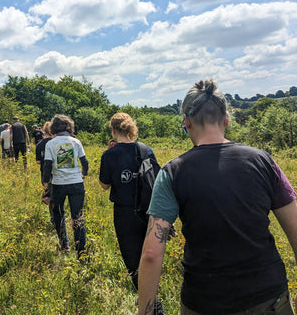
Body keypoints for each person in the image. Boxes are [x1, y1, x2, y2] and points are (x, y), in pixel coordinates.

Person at [138, 79, 297, 315]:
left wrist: (145, 312)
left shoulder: (172, 173)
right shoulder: (263, 161)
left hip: (204, 301)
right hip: (268, 298)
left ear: (187, 122)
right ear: (226, 119)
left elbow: (151, 255)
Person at [99, 113, 165, 314]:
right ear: (131, 129)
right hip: (149, 212)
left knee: (133, 262)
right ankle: (152, 302)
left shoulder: (109, 155)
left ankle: (154, 307)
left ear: (112, 130)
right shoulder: (146, 149)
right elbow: (157, 179)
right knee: (150, 256)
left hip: (125, 214)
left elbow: (104, 185)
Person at [42, 114, 89, 258]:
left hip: (58, 185)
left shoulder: (50, 143)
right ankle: (81, 251)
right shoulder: (76, 142)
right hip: (76, 184)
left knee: (58, 214)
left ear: (53, 128)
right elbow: (85, 162)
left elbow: (47, 165)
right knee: (78, 217)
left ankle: (64, 243)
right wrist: (82, 174)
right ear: (69, 126)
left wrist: (45, 182)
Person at [36, 121, 54, 224]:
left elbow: (38, 161)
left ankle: (53, 218)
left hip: (44, 174)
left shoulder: (39, 144)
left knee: (49, 194)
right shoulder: (57, 143)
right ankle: (59, 217)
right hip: (57, 174)